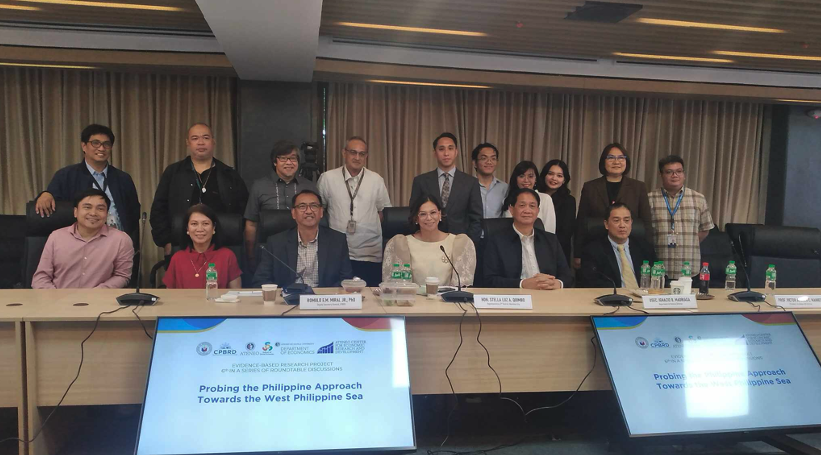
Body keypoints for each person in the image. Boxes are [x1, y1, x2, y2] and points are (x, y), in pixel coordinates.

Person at [150, 123, 248, 259]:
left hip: (222, 246)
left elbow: (243, 211)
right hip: (181, 245)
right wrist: (166, 242)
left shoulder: (229, 174)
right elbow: (158, 210)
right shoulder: (173, 173)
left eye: (206, 138)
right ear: (188, 142)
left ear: (213, 141)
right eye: (195, 138)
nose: (201, 142)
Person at [34, 124, 140, 241]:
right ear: (84, 146)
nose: (101, 148)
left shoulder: (123, 178)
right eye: (95, 143)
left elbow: (134, 213)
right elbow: (51, 201)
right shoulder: (66, 175)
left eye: (106, 144)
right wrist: (46, 194)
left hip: (117, 241)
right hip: (80, 242)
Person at [317, 136, 391, 286]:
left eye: (362, 154)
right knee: (338, 294)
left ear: (366, 156)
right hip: (337, 250)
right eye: (353, 152)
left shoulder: (376, 180)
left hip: (369, 251)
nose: (357, 157)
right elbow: (319, 211)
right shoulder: (328, 178)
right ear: (344, 153)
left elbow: (383, 212)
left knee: (369, 295)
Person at [32, 188, 134, 289]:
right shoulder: (56, 237)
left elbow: (122, 276)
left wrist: (98, 293)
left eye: (100, 209)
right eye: (87, 207)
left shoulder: (121, 240)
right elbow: (41, 277)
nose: (93, 213)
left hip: (100, 298)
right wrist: (55, 296)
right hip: (58, 297)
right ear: (75, 212)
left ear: (106, 214)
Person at [252, 190, 353, 288]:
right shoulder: (276, 243)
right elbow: (261, 280)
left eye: (314, 206)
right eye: (302, 206)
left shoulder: (337, 241)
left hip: (323, 297)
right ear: (293, 213)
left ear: (321, 212)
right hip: (289, 296)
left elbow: (346, 280)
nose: (308, 211)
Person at [574, 143, 652, 268]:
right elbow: (582, 221)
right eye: (611, 157)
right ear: (603, 161)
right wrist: (577, 253)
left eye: (621, 158)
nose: (616, 162)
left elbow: (646, 222)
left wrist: (648, 251)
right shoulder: (590, 187)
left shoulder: (638, 187)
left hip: (630, 248)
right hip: (597, 248)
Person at [244, 140, 318, 268]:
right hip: (269, 251)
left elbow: (317, 220)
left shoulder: (309, 187)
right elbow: (251, 223)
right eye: (283, 158)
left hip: (303, 251)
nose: (289, 163)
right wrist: (250, 255)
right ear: (275, 162)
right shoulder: (259, 186)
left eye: (293, 158)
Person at [484, 188, 573, 289]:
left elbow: (567, 276)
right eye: (522, 205)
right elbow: (489, 280)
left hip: (548, 294)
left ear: (537, 211)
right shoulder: (496, 241)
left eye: (532, 206)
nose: (527, 210)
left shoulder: (550, 240)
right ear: (511, 210)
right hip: (515, 296)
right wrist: (522, 284)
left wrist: (557, 283)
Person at [382, 193, 476, 287]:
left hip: (447, 296)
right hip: (414, 296)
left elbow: (462, 287)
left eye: (433, 212)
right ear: (416, 218)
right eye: (423, 214)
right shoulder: (402, 244)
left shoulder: (458, 243)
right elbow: (395, 287)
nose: (429, 218)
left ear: (440, 214)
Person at [648, 155, 714, 280]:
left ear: (684, 174)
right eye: (669, 172)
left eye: (679, 171)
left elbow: (705, 229)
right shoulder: (650, 199)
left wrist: (689, 242)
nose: (675, 175)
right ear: (661, 175)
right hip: (659, 270)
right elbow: (645, 232)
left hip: (689, 269)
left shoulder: (698, 198)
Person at [409, 132, 483, 242]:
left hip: (460, 241)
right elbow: (414, 214)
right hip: (428, 241)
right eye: (441, 149)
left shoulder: (471, 182)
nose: (446, 153)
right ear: (435, 153)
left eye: (450, 148)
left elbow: (476, 218)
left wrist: (468, 244)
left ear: (456, 152)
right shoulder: (421, 181)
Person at [162, 204, 242, 289]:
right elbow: (169, 294)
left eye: (205, 223)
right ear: (187, 229)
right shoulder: (177, 258)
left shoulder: (227, 256)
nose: (200, 229)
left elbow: (236, 293)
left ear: (213, 228)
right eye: (194, 224)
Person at [579, 203, 656, 288]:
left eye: (626, 220)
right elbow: (590, 282)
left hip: (643, 294)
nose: (622, 225)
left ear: (631, 223)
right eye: (616, 220)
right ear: (606, 224)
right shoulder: (593, 251)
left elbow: (658, 275)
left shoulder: (645, 248)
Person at [537, 159, 575, 266]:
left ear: (564, 180)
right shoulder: (534, 195)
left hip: (557, 250)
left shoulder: (569, 201)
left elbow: (566, 233)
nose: (554, 178)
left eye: (559, 176)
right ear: (544, 175)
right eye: (550, 174)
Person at [501, 161, 557, 233]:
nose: (526, 180)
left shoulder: (545, 199)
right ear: (516, 179)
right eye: (521, 176)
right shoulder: (508, 199)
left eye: (530, 176)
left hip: (539, 239)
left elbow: (549, 230)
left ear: (536, 179)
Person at [472, 143, 508, 218]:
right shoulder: (467, 186)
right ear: (475, 163)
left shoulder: (505, 188)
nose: (489, 162)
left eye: (493, 158)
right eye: (484, 158)